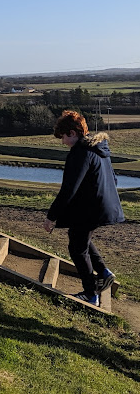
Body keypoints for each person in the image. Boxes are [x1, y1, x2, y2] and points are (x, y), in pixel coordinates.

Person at [43, 110, 124, 307]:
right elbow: (113, 179)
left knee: (77, 248)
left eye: (63, 137)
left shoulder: (80, 153)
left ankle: (91, 295)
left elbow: (69, 189)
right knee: (79, 238)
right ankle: (104, 273)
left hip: (92, 208)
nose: (62, 142)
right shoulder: (98, 148)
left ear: (72, 132)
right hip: (102, 205)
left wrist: (51, 217)